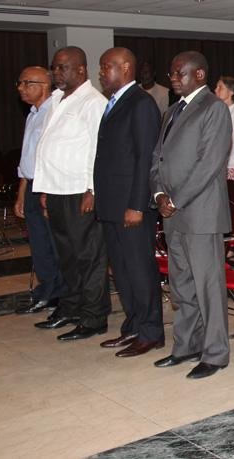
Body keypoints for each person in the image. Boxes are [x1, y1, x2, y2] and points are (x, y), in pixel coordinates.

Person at [150, 51, 232, 379]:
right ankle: (186, 345)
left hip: (200, 213)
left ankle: (215, 353)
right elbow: (158, 158)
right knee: (181, 285)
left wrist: (177, 199)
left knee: (208, 286)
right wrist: (158, 194)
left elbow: (209, 164)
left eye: (178, 73)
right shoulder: (172, 111)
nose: (172, 78)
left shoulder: (214, 109)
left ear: (199, 75)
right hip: (172, 212)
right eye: (171, 72)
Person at [32, 46, 110, 340]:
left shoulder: (92, 102)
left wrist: (92, 188)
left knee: (88, 258)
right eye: (54, 67)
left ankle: (93, 318)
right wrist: (44, 187)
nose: (56, 73)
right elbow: (49, 145)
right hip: (56, 189)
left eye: (63, 67)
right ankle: (71, 307)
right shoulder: (56, 100)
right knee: (66, 255)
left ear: (81, 70)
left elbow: (96, 149)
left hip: (81, 191)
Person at [95, 48, 164, 357]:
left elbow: (145, 158)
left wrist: (137, 204)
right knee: (121, 271)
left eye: (105, 66)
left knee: (139, 269)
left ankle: (151, 332)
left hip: (131, 207)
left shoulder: (141, 103)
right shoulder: (115, 103)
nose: (100, 72)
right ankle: (134, 325)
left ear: (124, 68)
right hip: (112, 204)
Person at [13, 67, 65, 312]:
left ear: (44, 85)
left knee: (53, 243)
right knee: (39, 243)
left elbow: (53, 156)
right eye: (20, 83)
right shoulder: (33, 113)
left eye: (26, 83)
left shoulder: (54, 111)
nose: (20, 88)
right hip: (32, 184)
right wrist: (21, 192)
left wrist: (45, 190)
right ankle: (47, 289)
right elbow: (28, 157)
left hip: (48, 185)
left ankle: (59, 294)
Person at [215, 76, 234, 186]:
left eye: (220, 87)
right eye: (216, 87)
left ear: (231, 92)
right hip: (221, 167)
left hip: (231, 168)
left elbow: (232, 144)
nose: (215, 90)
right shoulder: (222, 112)